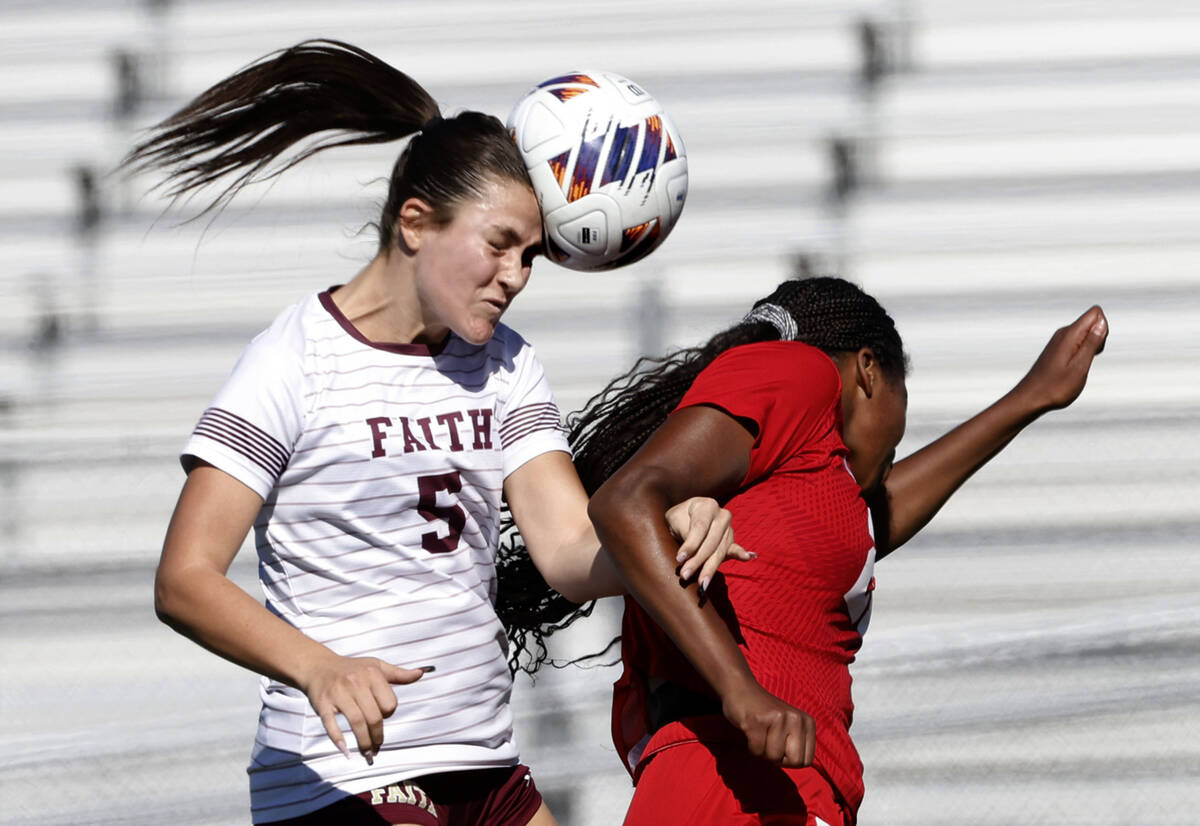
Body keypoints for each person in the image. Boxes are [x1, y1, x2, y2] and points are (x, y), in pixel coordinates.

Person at [129, 40, 747, 826]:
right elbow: (184, 578)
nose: (517, 276)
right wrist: (319, 669)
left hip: (487, 769)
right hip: (345, 775)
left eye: (530, 256)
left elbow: (564, 553)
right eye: (498, 246)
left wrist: (668, 533)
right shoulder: (293, 362)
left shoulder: (506, 364)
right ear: (415, 223)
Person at [572, 276, 1108, 825]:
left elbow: (873, 522)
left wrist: (1030, 398)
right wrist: (741, 688)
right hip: (734, 783)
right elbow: (627, 502)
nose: (892, 453)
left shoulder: (810, 485)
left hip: (762, 789)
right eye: (898, 436)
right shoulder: (802, 374)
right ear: (869, 370)